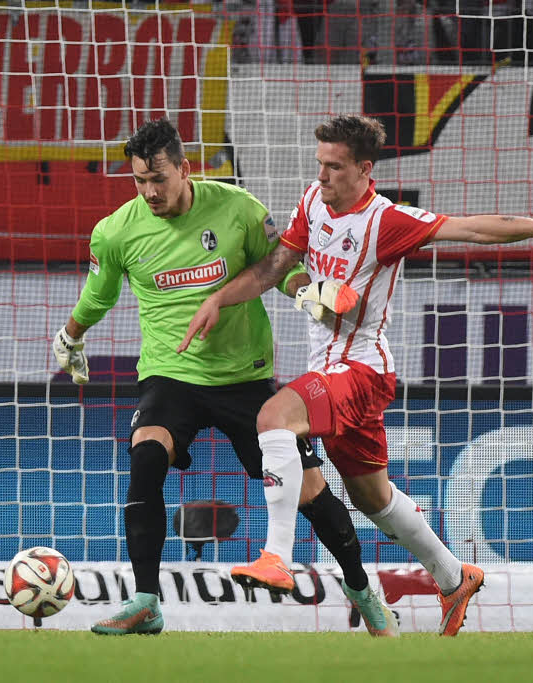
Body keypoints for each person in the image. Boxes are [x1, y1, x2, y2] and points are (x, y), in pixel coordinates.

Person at [178, 114, 533, 635]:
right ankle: (452, 575)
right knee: (373, 499)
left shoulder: (385, 220)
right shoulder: (312, 200)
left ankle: (274, 557)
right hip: (328, 369)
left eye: (335, 167)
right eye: (320, 164)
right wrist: (220, 297)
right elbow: (276, 266)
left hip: (359, 369)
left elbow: (476, 228)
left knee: (273, 416)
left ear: (365, 169)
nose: (322, 175)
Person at [53, 118, 396, 637]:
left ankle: (361, 591)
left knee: (310, 491)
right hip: (171, 375)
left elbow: (278, 268)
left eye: (159, 180)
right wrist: (70, 335)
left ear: (185, 169)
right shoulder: (117, 230)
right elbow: (99, 296)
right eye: (139, 181)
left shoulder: (239, 211)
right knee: (146, 453)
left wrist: (309, 292)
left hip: (245, 378)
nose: (149, 192)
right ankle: (146, 601)